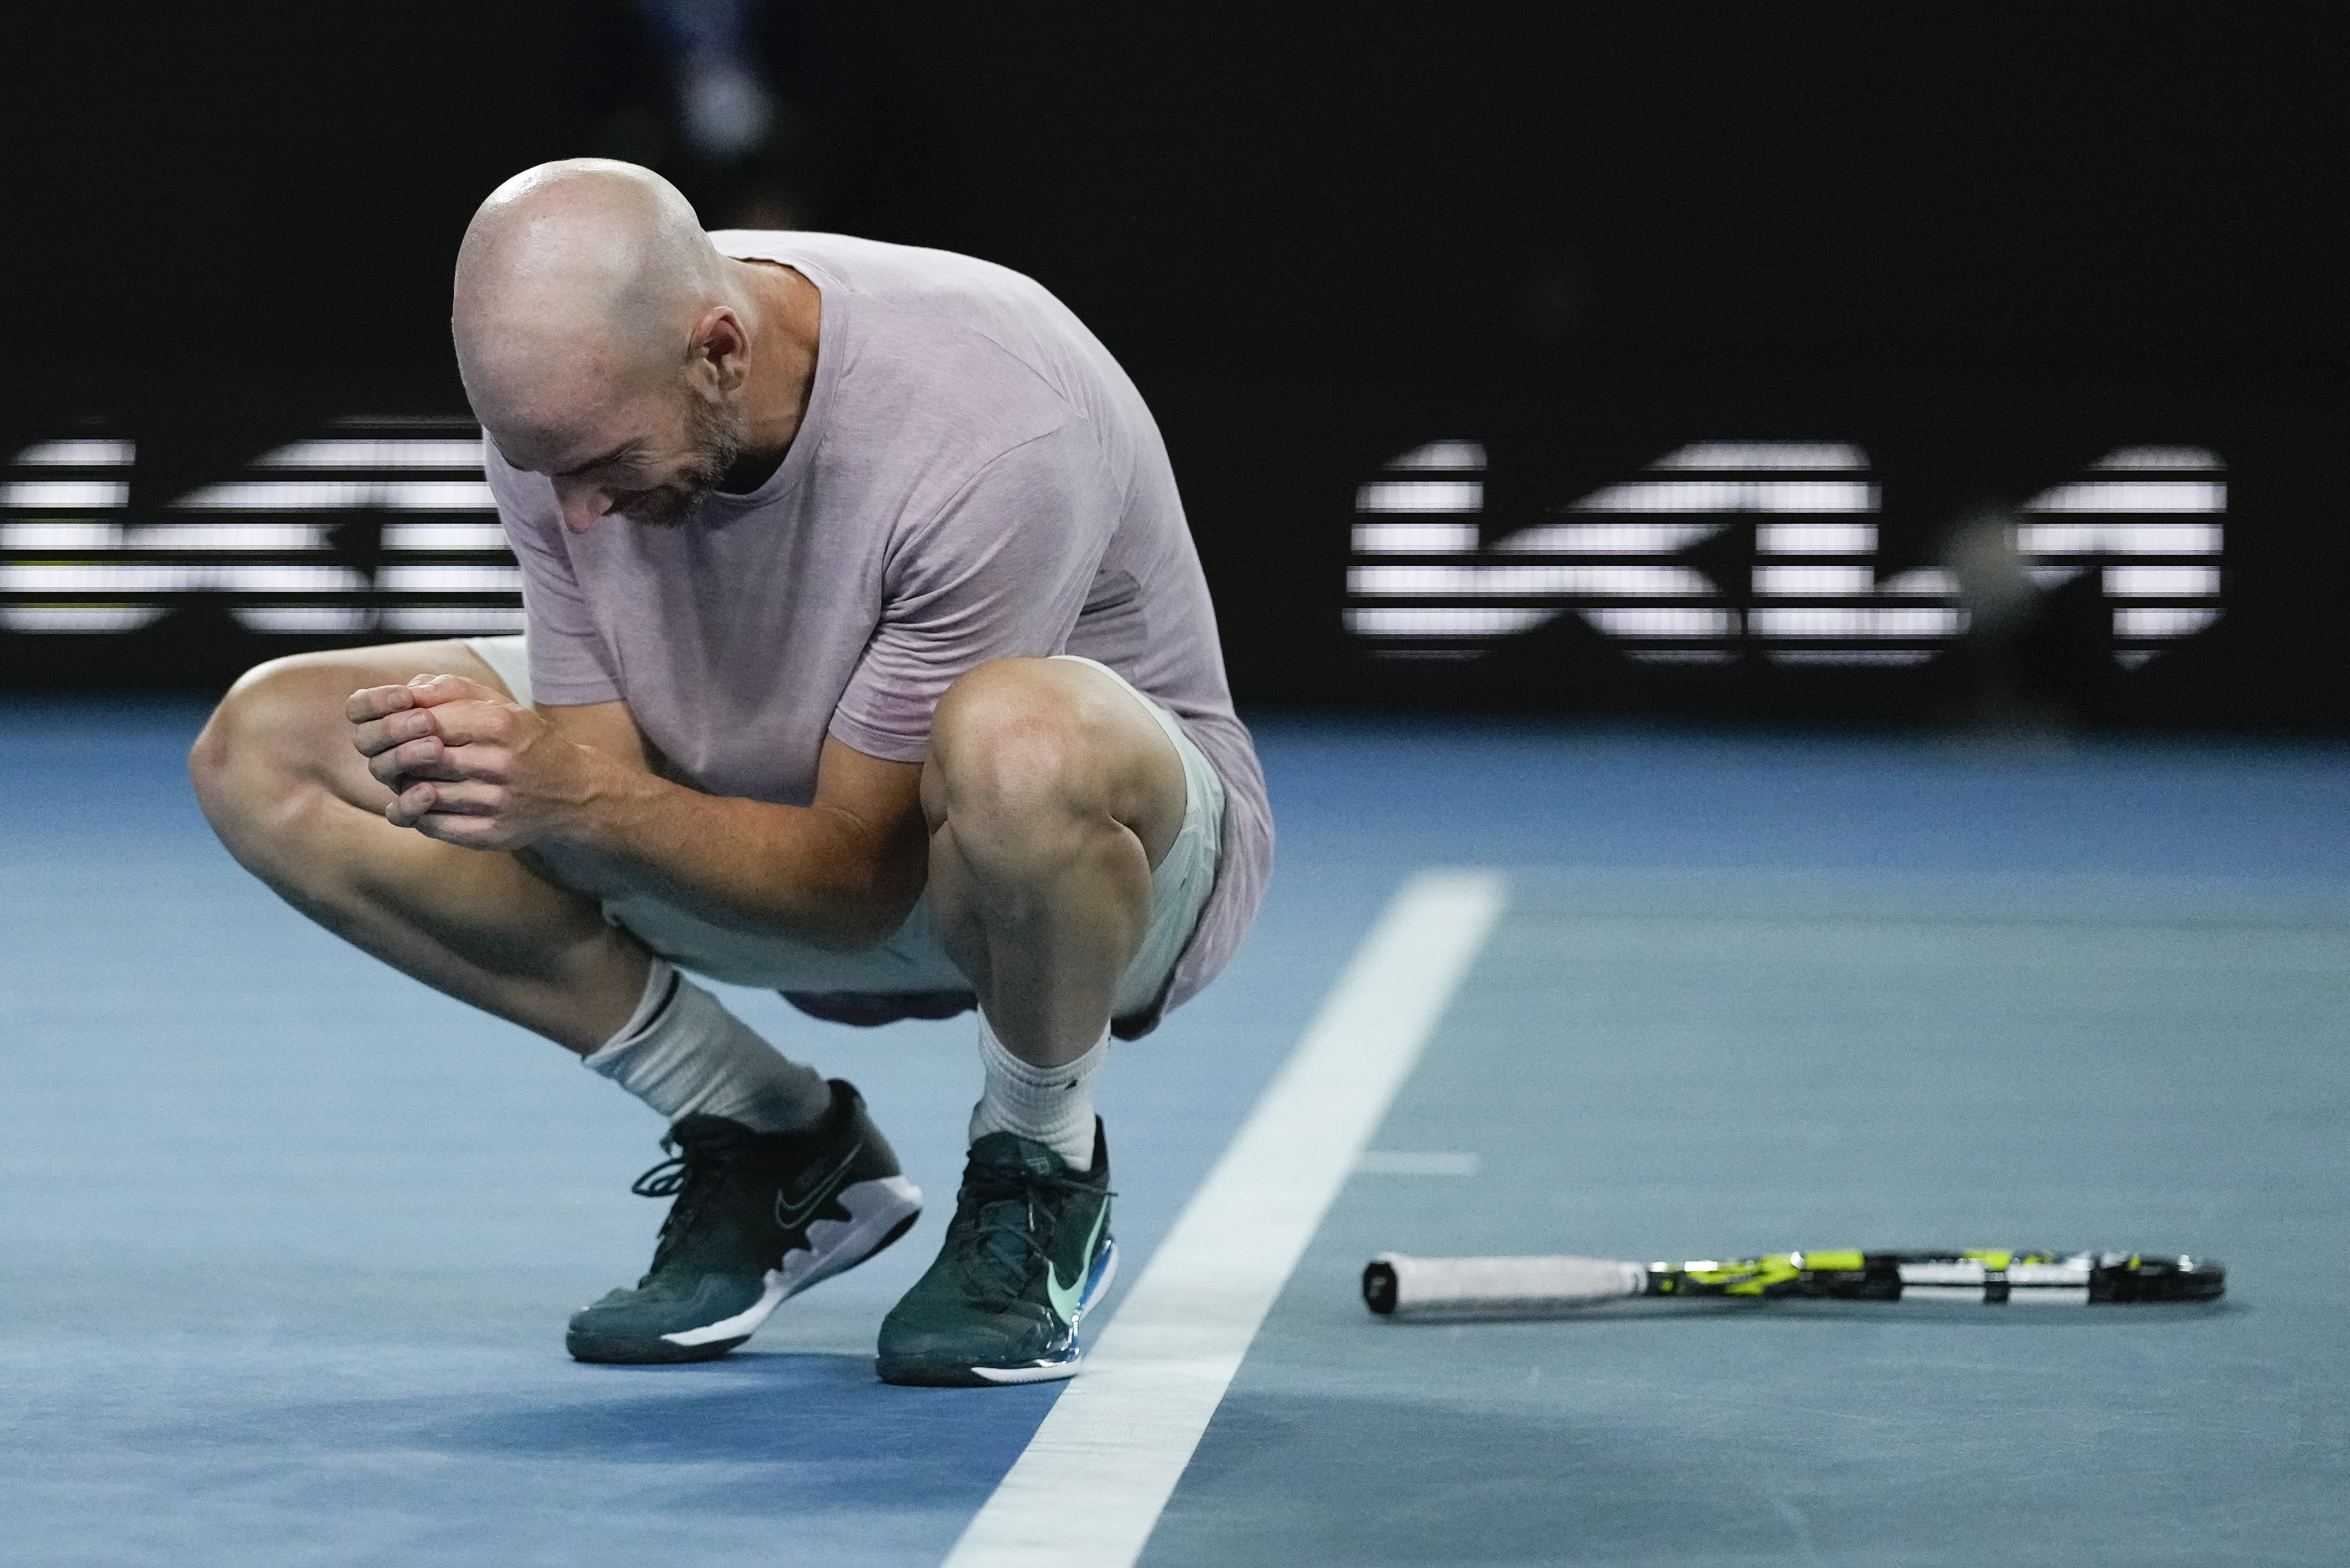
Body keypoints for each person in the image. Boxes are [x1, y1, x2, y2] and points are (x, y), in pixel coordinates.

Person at [186, 159, 1271, 1387]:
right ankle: (768, 1141)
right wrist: (545, 785)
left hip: (1059, 877)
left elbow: (859, 883)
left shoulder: (994, 412)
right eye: (542, 469)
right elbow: (606, 779)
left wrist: (573, 798)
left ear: (718, 351)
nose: (576, 515)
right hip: (762, 818)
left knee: (1017, 739)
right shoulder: (568, 409)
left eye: (601, 462)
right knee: (270, 745)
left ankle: (1040, 1167)